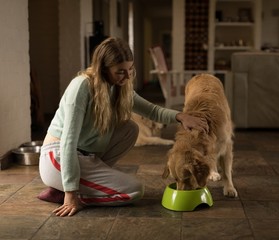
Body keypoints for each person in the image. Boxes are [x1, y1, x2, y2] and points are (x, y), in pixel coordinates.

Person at [38, 37, 209, 217]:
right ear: (103, 69)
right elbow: (68, 142)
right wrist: (71, 194)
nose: (127, 76)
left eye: (130, 69)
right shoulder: (82, 86)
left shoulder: (118, 87)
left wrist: (181, 116)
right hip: (57, 157)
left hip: (84, 155)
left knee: (130, 129)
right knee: (133, 191)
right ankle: (68, 191)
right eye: (120, 71)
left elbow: (152, 110)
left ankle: (70, 186)